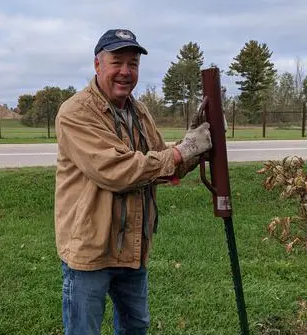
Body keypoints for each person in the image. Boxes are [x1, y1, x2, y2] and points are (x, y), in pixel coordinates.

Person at [55, 28, 212, 335]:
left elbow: (160, 163)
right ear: (98, 65)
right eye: (117, 62)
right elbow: (117, 170)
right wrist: (181, 153)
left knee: (135, 327)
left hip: (132, 247)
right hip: (90, 248)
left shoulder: (138, 112)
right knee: (83, 330)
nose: (125, 72)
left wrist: (193, 148)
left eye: (133, 64)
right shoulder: (75, 112)